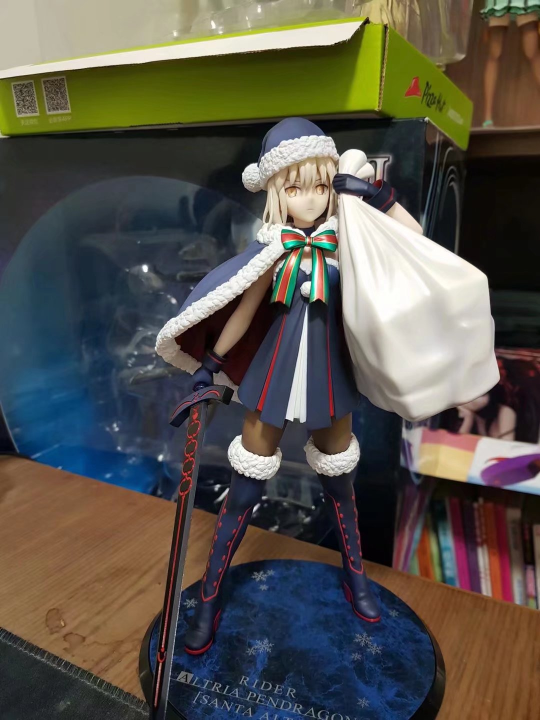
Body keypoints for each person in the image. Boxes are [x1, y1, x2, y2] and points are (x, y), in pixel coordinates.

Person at [156, 117, 498, 654]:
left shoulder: (350, 239)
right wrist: (211, 363)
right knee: (245, 485)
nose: (312, 197)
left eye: (320, 184)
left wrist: (376, 196)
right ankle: (210, 597)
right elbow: (241, 309)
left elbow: (415, 240)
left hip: (331, 374)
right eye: (296, 187)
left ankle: (356, 576)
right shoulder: (274, 248)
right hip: (273, 374)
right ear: (276, 191)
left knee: (340, 480)